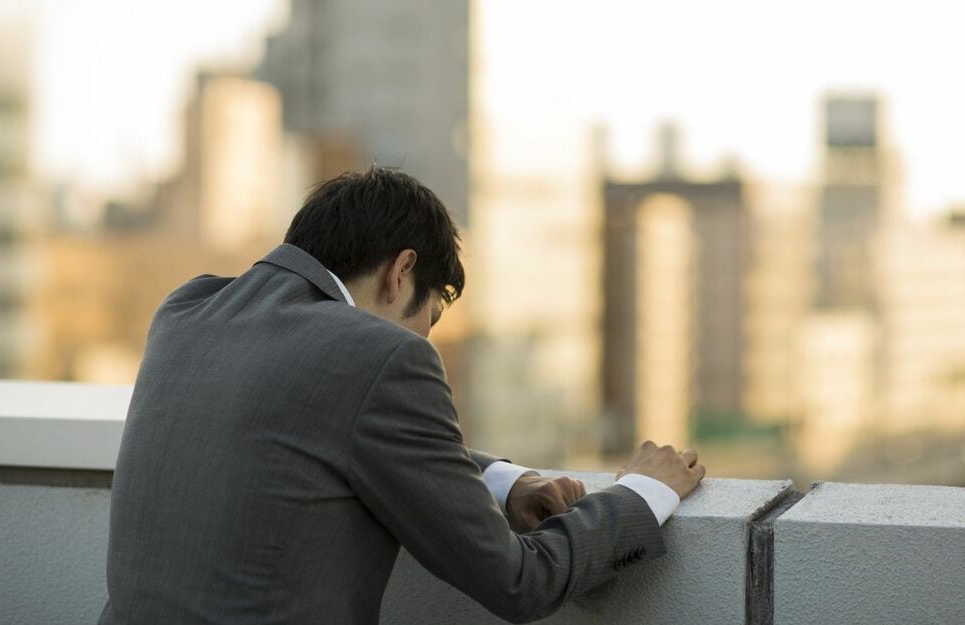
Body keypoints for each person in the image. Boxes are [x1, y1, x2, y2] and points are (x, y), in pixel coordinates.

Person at [98, 167, 706, 625]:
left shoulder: (187, 311)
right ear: (400, 272)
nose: (425, 337)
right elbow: (520, 582)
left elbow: (307, 426)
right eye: (432, 317)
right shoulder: (383, 354)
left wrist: (503, 481)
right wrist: (643, 492)